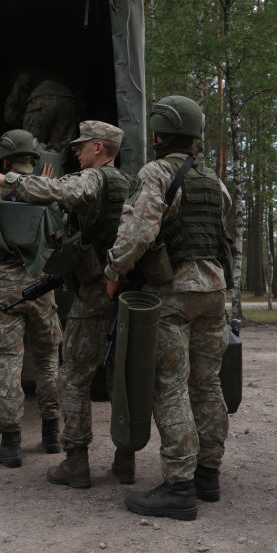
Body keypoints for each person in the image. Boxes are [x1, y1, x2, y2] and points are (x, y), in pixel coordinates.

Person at [103, 95, 232, 521]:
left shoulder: (155, 173)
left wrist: (113, 269)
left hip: (174, 292)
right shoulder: (213, 180)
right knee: (208, 384)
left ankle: (179, 485)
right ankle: (207, 476)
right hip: (214, 292)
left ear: (158, 133)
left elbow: (138, 232)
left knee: (170, 385)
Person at [0, 120, 134, 488]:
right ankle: (125, 459)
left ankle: (76, 460)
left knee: (74, 377)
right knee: (121, 378)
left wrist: (10, 181)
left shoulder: (94, 179)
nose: (76, 151)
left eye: (81, 146)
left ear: (99, 148)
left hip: (96, 292)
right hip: (124, 292)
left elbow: (60, 192)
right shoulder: (128, 184)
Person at [0, 129, 63, 468]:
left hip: (3, 283)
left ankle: (11, 444)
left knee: (7, 364)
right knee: (47, 360)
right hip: (41, 281)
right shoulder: (48, 192)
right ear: (34, 158)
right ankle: (52, 435)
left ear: (4, 159)